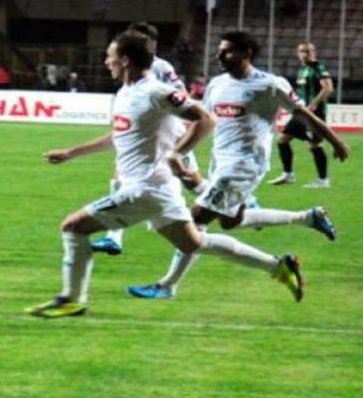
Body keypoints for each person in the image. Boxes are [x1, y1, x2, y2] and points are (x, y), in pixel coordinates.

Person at [25, 30, 305, 319]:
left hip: (146, 189)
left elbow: (205, 119)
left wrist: (176, 153)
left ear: (124, 59)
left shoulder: (155, 92)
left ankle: (71, 299)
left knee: (73, 227)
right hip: (159, 191)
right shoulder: (125, 93)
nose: (106, 62)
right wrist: (71, 153)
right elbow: (120, 136)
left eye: (109, 56)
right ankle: (278, 266)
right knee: (195, 243)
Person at [127, 31, 349, 300]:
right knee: (233, 221)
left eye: (228, 51)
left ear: (247, 54)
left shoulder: (270, 84)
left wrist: (335, 141)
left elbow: (303, 114)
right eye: (220, 50)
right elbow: (203, 121)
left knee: (195, 221)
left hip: (245, 165)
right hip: (220, 163)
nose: (220, 55)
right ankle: (306, 219)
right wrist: (179, 152)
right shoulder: (217, 84)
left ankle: (168, 285)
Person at [91, 22, 204, 256]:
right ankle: (114, 237)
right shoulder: (129, 82)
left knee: (193, 182)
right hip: (146, 134)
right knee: (120, 173)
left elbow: (182, 95)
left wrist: (175, 116)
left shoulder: (161, 67)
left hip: (169, 133)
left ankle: (235, 205)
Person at [268, 43, 335, 188]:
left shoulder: (318, 67)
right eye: (302, 51)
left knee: (314, 144)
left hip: (314, 115)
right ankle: (288, 175)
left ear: (313, 52)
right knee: (282, 140)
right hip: (301, 113)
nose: (305, 54)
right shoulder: (302, 70)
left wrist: (315, 103)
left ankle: (323, 180)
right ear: (298, 53)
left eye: (308, 51)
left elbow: (328, 88)